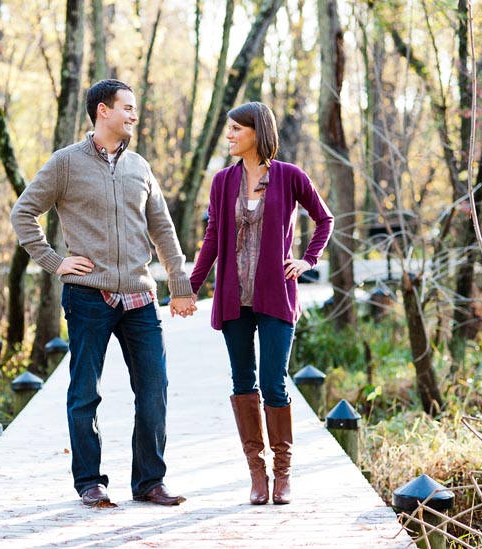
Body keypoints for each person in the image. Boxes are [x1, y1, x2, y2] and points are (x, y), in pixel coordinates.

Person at [10, 79, 195, 507]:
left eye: (134, 108)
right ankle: (90, 482)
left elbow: (162, 229)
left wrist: (179, 283)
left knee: (154, 389)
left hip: (139, 297)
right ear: (102, 111)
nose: (134, 114)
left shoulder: (140, 168)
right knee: (84, 392)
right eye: (126, 107)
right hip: (88, 296)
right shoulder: (66, 163)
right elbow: (24, 214)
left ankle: (150, 481)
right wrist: (55, 262)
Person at [190, 102, 334, 505]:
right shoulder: (222, 181)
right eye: (229, 128)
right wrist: (191, 287)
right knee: (242, 382)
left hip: (276, 295)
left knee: (274, 382)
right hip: (235, 299)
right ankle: (257, 475)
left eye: (237, 128)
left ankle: (283, 474)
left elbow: (325, 219)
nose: (230, 135)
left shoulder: (289, 177)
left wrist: (307, 259)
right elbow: (213, 237)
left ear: (258, 131)